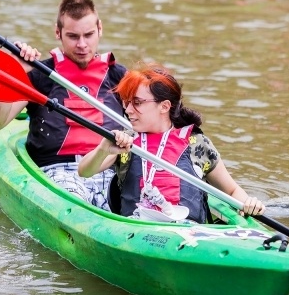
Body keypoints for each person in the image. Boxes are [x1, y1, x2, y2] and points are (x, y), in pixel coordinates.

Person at [0, 0, 127, 211]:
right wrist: (14, 71)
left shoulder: (120, 78)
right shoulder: (41, 75)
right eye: (73, 36)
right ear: (58, 33)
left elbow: (152, 124)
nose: (82, 44)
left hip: (108, 171)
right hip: (57, 173)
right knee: (79, 207)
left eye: (88, 35)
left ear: (100, 29)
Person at [78, 63, 266, 223]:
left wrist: (249, 203)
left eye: (137, 102)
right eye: (126, 102)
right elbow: (84, 171)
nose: (128, 110)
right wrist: (104, 148)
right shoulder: (126, 140)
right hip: (137, 229)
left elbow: (232, 190)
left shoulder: (197, 144)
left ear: (164, 106)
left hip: (189, 233)